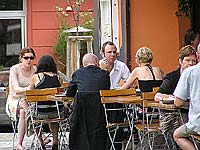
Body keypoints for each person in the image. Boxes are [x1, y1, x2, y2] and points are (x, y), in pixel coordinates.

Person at [65, 53, 110, 150]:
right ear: (97, 63)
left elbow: (69, 93)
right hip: (100, 115)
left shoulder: (78, 73)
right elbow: (106, 90)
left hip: (81, 115)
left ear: (83, 64)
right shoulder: (105, 74)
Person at [154, 45, 197, 138]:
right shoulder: (172, 77)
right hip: (173, 114)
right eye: (187, 60)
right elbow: (157, 96)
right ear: (180, 61)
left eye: (193, 61)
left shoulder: (196, 76)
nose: (191, 63)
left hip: (192, 113)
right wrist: (173, 97)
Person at [28, 55, 63, 150]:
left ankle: (41, 142)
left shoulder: (36, 77)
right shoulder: (58, 77)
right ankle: (55, 139)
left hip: (41, 113)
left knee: (31, 114)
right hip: (57, 113)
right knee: (54, 117)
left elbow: (29, 94)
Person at [6, 47, 36, 150]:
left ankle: (19, 144)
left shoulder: (35, 70)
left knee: (24, 111)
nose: (29, 60)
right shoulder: (14, 69)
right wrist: (29, 88)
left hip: (29, 102)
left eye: (31, 58)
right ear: (21, 58)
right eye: (26, 57)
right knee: (23, 102)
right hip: (14, 101)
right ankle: (40, 136)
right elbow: (16, 89)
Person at [173, 59, 200, 150]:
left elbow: (178, 102)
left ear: (198, 55)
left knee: (177, 135)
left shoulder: (190, 72)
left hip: (197, 124)